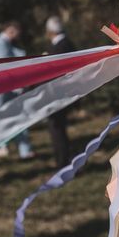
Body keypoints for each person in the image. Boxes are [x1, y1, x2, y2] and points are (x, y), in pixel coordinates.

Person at [0, 21, 34, 159]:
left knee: (14, 117)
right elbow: (6, 67)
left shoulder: (3, 44)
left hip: (4, 91)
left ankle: (24, 149)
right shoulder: (0, 44)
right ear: (12, 30)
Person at [45, 16, 74, 167]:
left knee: (57, 127)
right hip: (63, 93)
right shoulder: (67, 43)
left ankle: (62, 161)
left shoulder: (58, 47)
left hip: (58, 94)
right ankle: (63, 158)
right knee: (59, 127)